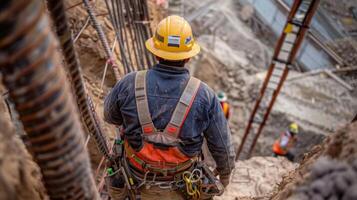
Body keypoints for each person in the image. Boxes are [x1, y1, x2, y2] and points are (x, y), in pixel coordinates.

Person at [104, 15, 235, 199]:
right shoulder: (205, 95)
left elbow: (110, 117)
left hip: (133, 180)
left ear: (156, 52)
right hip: (181, 187)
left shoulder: (129, 83)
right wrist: (225, 176)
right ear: (188, 56)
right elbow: (222, 147)